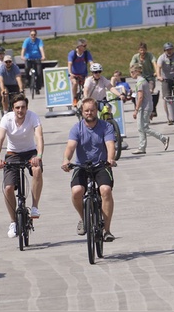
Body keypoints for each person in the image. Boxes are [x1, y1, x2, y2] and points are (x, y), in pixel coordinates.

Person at [61, 97, 118, 242]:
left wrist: (110, 159)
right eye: (86, 110)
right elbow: (70, 147)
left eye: (92, 110)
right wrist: (66, 160)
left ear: (96, 111)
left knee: (105, 190)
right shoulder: (77, 128)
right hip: (82, 166)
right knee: (77, 192)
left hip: (101, 165)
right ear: (82, 112)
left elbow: (110, 145)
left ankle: (107, 230)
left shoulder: (106, 127)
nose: (89, 113)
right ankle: (84, 219)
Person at [0, 94, 44, 238]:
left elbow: (39, 137)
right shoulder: (6, 119)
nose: (20, 110)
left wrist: (39, 156)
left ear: (27, 108)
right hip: (12, 153)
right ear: (12, 108)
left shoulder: (33, 117)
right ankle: (13, 221)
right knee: (8, 188)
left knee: (37, 169)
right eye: (17, 108)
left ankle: (34, 206)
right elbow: (0, 138)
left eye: (23, 107)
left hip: (30, 153)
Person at [129, 63, 170, 155]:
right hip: (146, 107)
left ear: (137, 72)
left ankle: (163, 138)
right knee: (141, 128)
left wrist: (136, 110)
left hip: (144, 108)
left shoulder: (140, 82)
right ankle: (142, 147)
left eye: (132, 72)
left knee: (144, 127)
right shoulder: (143, 81)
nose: (131, 74)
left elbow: (140, 97)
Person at [130, 42, 159, 118]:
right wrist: (132, 73)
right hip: (141, 78)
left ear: (146, 50)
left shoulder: (150, 56)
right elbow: (132, 65)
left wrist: (157, 72)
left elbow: (155, 64)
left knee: (150, 91)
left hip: (150, 77)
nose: (142, 52)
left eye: (144, 50)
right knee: (135, 94)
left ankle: (153, 108)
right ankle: (136, 107)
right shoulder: (135, 57)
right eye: (141, 50)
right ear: (138, 50)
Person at [68, 38, 94, 106]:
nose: (85, 47)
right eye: (84, 46)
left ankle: (87, 99)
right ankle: (75, 98)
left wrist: (93, 70)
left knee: (87, 85)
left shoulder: (86, 53)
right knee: (75, 83)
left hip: (83, 74)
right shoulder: (72, 53)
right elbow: (70, 64)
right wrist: (70, 73)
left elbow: (91, 62)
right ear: (79, 46)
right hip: (74, 74)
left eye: (86, 45)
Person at [20, 29, 46, 94]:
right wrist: (22, 56)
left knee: (39, 73)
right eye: (32, 35)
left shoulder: (39, 41)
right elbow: (23, 49)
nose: (33, 36)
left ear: (36, 35)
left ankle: (38, 87)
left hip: (37, 58)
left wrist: (43, 56)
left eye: (34, 35)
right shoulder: (27, 41)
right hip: (28, 58)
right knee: (27, 68)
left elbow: (41, 49)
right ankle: (27, 79)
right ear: (29, 35)